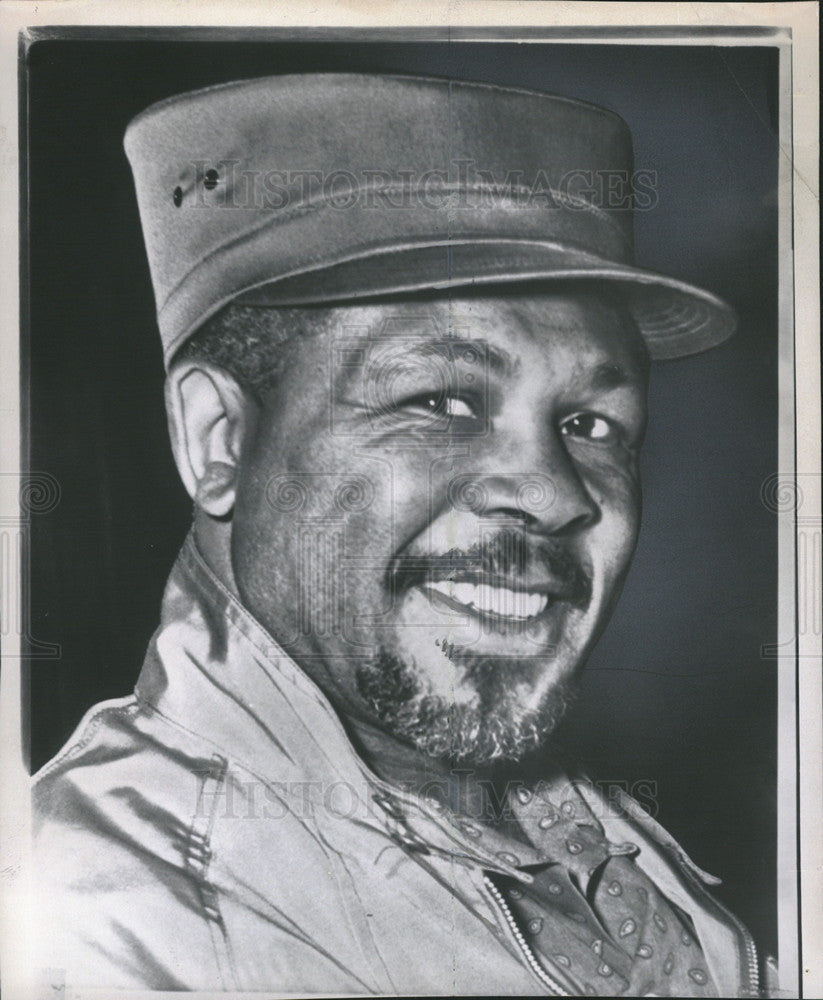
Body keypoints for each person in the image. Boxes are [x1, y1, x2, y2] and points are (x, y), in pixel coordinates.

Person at [32, 73, 772, 997]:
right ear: (218, 441)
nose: (553, 495)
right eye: (441, 401)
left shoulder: (569, 820)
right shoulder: (121, 918)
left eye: (590, 424)